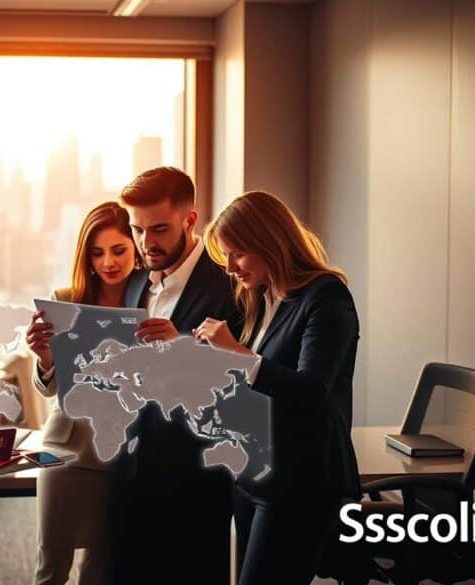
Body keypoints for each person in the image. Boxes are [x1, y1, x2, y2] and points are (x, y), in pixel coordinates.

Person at [195, 190, 361, 585]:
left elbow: (311, 391)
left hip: (300, 481)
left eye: (238, 253)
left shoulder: (327, 297)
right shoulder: (266, 295)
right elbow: (262, 380)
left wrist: (237, 355)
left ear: (270, 242)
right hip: (256, 470)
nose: (231, 268)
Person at [109, 166, 244, 585]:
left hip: (196, 478)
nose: (147, 243)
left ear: (190, 220)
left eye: (160, 229)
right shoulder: (136, 285)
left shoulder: (230, 285)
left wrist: (182, 349)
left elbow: (245, 382)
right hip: (131, 470)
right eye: (137, 229)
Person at [25, 201, 141, 585]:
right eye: (98, 252)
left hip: (123, 456)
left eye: (118, 250)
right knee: (52, 565)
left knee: (102, 569)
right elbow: (52, 387)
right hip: (67, 453)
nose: (109, 261)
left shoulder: (151, 301)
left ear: (135, 247)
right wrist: (45, 358)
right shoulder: (67, 299)